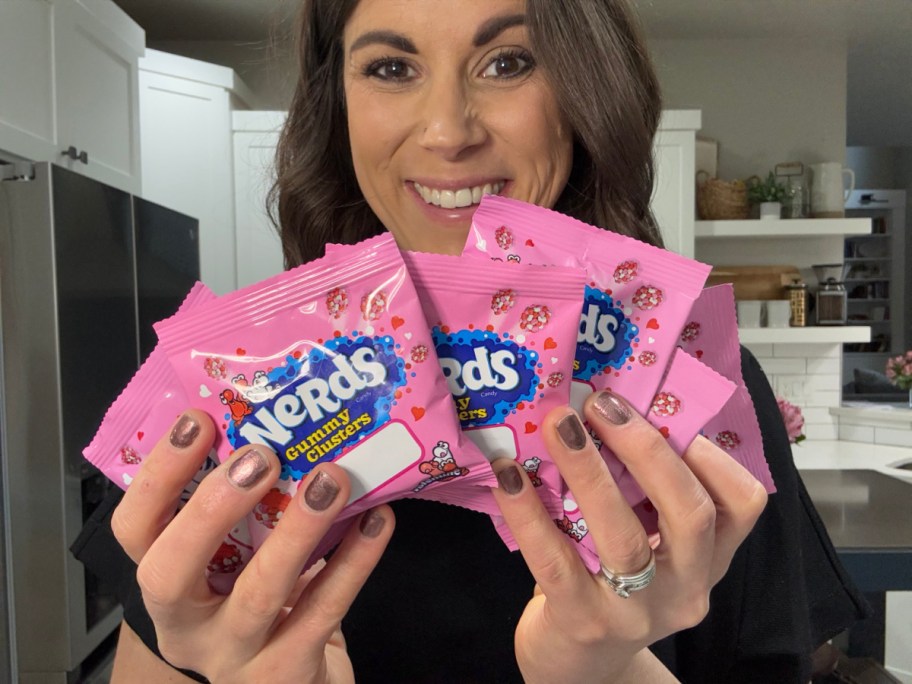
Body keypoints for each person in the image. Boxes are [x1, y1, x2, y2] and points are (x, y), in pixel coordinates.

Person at [73, 0, 868, 681]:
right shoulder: (221, 410)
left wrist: (604, 669)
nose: (449, 132)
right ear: (337, 103)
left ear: (587, 90)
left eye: (508, 61)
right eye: (390, 68)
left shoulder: (695, 393)